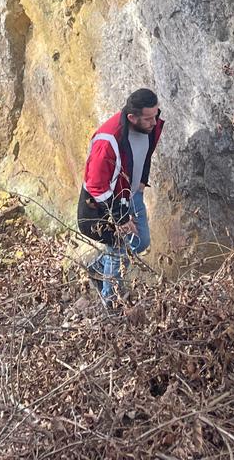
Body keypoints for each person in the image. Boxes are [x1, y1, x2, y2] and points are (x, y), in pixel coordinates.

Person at [76, 87, 164, 305]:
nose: (154, 122)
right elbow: (96, 186)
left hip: (131, 194)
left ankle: (98, 268)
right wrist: (120, 218)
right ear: (132, 117)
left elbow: (145, 153)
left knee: (141, 241)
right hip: (104, 204)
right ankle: (112, 301)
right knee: (119, 245)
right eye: (149, 118)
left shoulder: (148, 126)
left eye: (156, 115)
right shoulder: (107, 140)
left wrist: (142, 181)